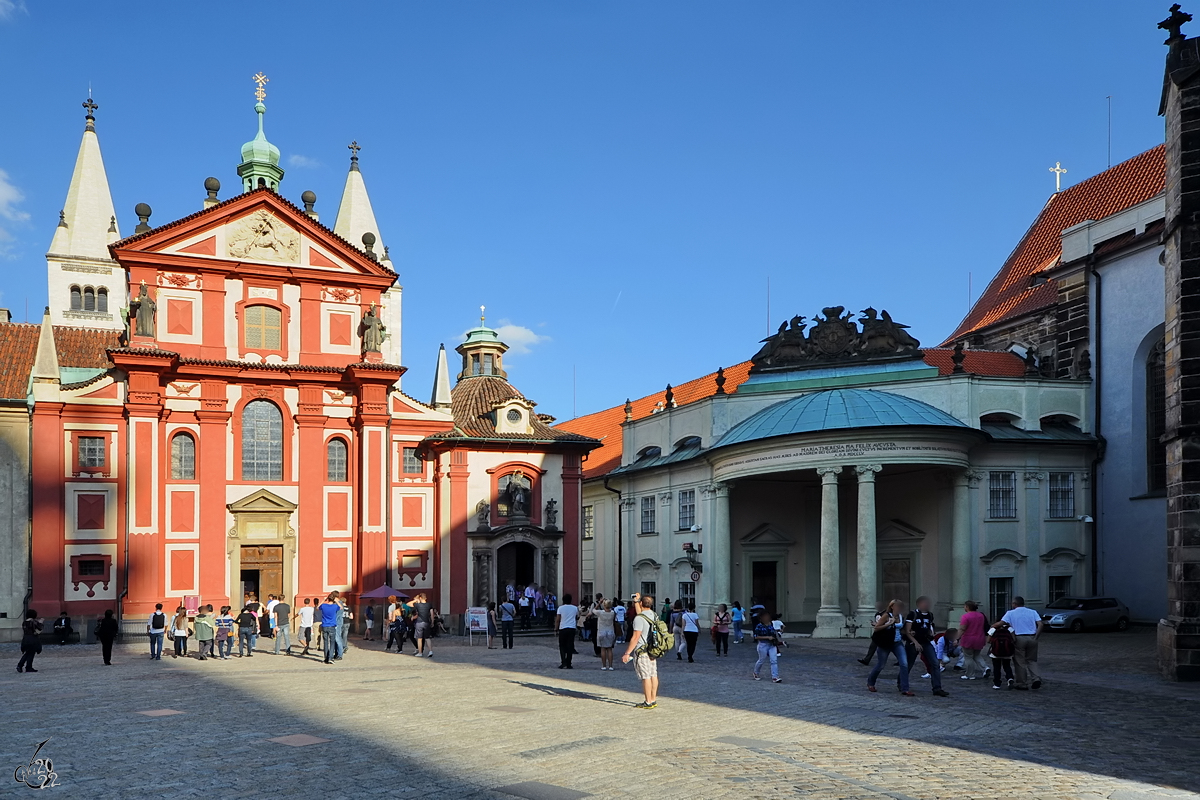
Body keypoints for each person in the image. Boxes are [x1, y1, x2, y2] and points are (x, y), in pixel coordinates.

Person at [904, 596, 950, 697]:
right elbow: (907, 631)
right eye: (925, 603)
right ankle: (901, 683)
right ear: (919, 604)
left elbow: (930, 626)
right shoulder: (913, 614)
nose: (927, 605)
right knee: (908, 664)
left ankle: (937, 688)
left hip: (925, 642)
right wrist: (915, 642)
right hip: (913, 643)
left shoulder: (929, 615)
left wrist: (931, 634)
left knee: (934, 663)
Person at [622, 593, 660, 708]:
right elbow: (641, 614)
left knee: (645, 676)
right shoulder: (653, 615)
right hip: (652, 649)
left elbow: (635, 637)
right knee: (653, 674)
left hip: (642, 650)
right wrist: (637, 601)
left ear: (642, 603)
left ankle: (648, 701)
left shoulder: (639, 618)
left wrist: (627, 653)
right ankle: (653, 699)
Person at [867, 599, 912, 695]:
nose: (899, 608)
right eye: (897, 606)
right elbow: (877, 628)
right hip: (885, 643)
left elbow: (900, 629)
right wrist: (889, 623)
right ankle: (871, 682)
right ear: (892, 607)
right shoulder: (887, 615)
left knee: (904, 664)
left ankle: (905, 688)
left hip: (897, 643)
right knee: (881, 665)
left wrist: (909, 633)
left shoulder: (900, 616)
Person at [1001, 596, 1043, 690]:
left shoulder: (1010, 613)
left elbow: (1002, 623)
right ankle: (1036, 678)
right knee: (1032, 660)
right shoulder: (1032, 612)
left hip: (1019, 638)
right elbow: (1040, 624)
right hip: (1032, 637)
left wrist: (994, 626)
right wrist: (1036, 636)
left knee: (1020, 661)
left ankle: (1022, 683)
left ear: (1015, 604)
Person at [958, 601, 989, 680]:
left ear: (967, 607)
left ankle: (970, 674)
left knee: (968, 657)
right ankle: (985, 668)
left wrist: (957, 638)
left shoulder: (965, 616)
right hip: (980, 638)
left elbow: (962, 628)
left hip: (968, 638)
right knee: (977, 655)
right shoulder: (981, 615)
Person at [752, 610, 782, 682]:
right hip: (763, 644)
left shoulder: (771, 624)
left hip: (772, 644)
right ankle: (756, 672)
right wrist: (767, 637)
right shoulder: (759, 626)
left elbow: (773, 632)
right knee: (761, 660)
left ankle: (775, 676)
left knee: (774, 660)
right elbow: (756, 637)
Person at [555, 593, 579, 669]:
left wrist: (556, 629)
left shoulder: (560, 608)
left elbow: (558, 620)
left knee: (562, 646)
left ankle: (563, 662)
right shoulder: (575, 608)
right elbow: (576, 616)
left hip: (563, 628)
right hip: (572, 628)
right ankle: (569, 663)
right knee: (570, 646)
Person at [319, 595, 341, 664]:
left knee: (325, 642)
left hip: (325, 625)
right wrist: (337, 601)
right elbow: (341, 607)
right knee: (332, 643)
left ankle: (326, 657)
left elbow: (317, 607)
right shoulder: (335, 606)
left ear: (328, 599)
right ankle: (331, 658)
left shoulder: (324, 606)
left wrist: (323, 600)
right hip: (332, 626)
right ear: (333, 599)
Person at [595, 599, 617, 670]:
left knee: (603, 649)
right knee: (610, 649)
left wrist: (599, 603)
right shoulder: (613, 612)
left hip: (601, 631)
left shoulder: (600, 613)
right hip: (610, 631)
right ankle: (610, 666)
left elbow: (593, 610)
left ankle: (604, 665)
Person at [411, 593, 434, 658]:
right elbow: (432, 614)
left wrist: (415, 600)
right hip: (427, 622)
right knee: (427, 638)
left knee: (419, 638)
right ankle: (430, 651)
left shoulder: (417, 605)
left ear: (420, 598)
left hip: (419, 622)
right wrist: (432, 622)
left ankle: (420, 652)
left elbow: (408, 604)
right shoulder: (429, 605)